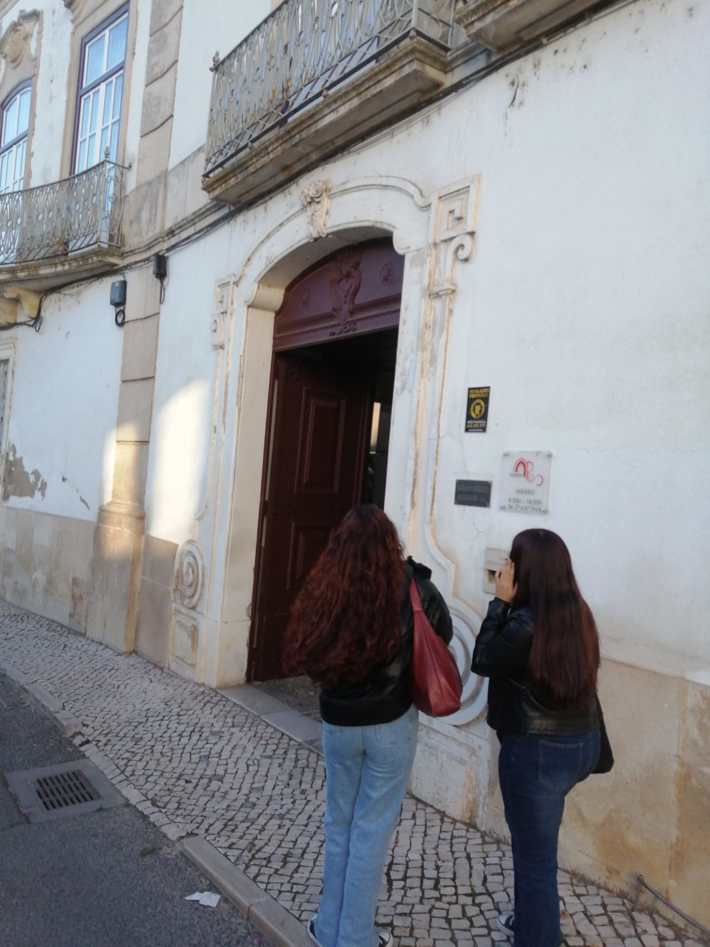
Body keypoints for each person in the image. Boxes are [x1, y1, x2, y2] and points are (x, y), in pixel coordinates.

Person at [285, 505, 453, 947]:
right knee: (371, 828)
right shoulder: (413, 586)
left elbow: (309, 646)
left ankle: (329, 926)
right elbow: (443, 633)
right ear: (389, 543)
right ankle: (354, 938)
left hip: (339, 723)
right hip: (391, 722)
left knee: (340, 821)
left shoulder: (328, 586)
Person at [471, 529, 601, 947]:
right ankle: (531, 921)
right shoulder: (579, 614)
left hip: (537, 756)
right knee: (538, 848)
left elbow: (483, 659)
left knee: (534, 858)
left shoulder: (524, 622)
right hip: (580, 747)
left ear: (525, 571)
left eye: (513, 562)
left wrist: (498, 603)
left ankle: (538, 938)